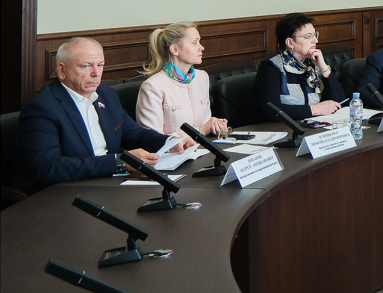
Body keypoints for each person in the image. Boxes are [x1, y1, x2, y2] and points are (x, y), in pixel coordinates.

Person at [16, 37, 192, 193]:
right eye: (86, 66)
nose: (96, 73)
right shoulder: (42, 108)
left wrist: (170, 142)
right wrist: (119, 162)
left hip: (106, 184)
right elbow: (49, 167)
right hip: (61, 192)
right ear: (62, 70)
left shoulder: (106, 95)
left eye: (100, 65)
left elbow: (133, 134)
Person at [136, 22, 228, 137]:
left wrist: (215, 126)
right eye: (194, 43)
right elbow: (153, 140)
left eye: (199, 42)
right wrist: (201, 130)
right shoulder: (152, 86)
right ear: (174, 49)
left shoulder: (202, 77)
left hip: (204, 146)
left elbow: (206, 124)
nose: (201, 47)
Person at [254, 13, 345, 120]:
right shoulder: (271, 67)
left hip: (313, 124)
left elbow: (338, 103)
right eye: (308, 36)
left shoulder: (313, 63)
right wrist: (315, 109)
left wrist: (324, 68)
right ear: (290, 42)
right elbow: (272, 111)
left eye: (315, 35)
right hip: (281, 127)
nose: (315, 40)